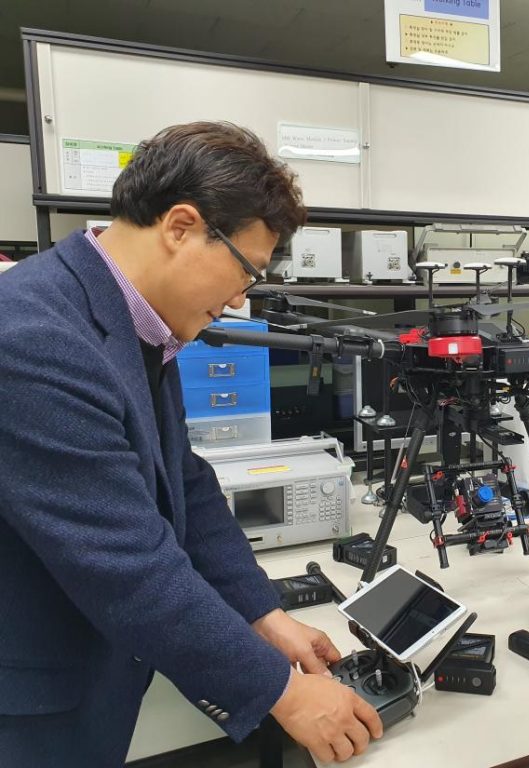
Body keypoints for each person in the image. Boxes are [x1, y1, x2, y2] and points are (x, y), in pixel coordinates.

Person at [0, 122, 383, 766]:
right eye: (245, 271)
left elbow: (185, 483)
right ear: (180, 226)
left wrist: (266, 614)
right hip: (33, 700)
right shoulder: (34, 336)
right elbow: (127, 567)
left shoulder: (132, 317)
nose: (240, 301)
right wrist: (283, 693)